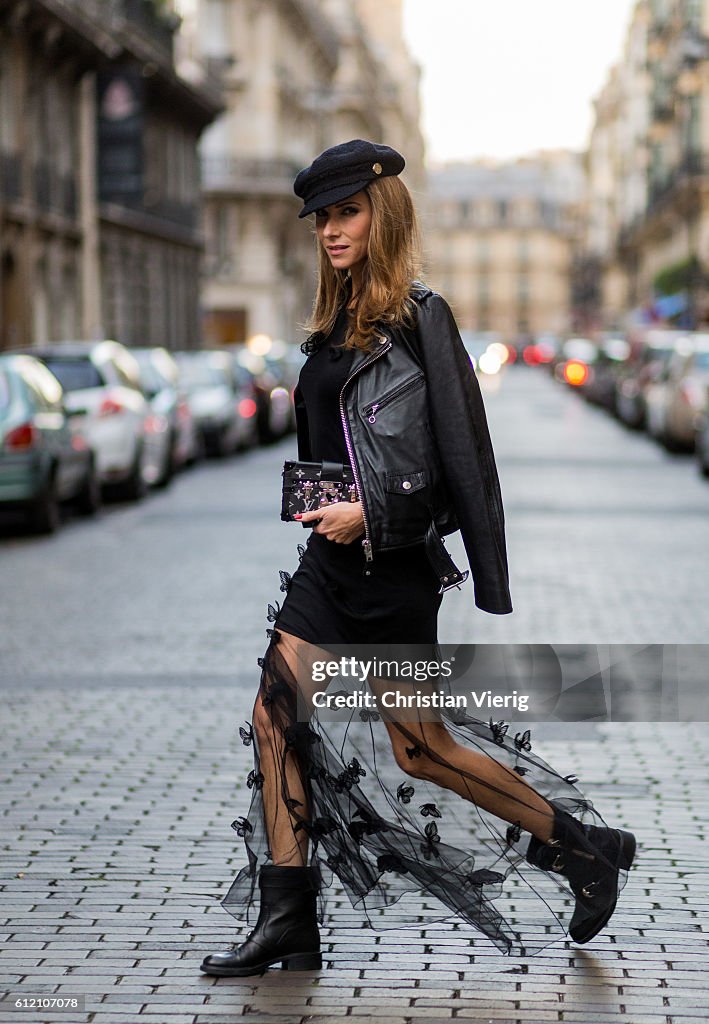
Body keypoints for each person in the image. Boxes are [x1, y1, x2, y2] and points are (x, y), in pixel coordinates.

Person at [200, 140, 636, 977]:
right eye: (322, 218)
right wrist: (326, 504)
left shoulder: (420, 318)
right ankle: (286, 913)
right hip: (326, 568)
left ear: (382, 214)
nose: (331, 231)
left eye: (346, 213)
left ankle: (582, 848)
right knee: (273, 718)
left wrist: (374, 512)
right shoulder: (331, 323)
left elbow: (459, 467)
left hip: (393, 570)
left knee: (421, 750)